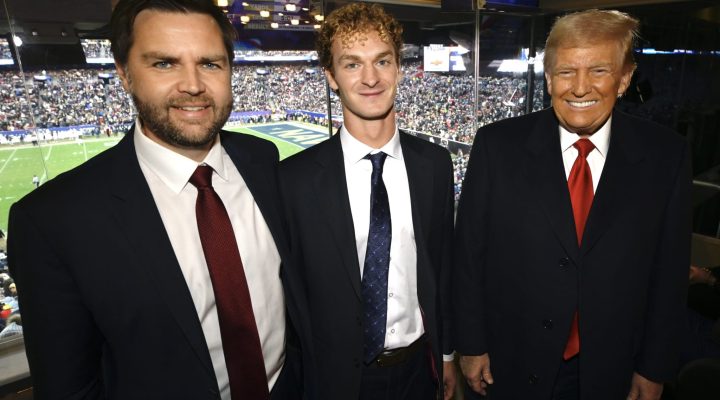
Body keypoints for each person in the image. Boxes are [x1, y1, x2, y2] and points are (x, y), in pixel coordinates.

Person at [8, 0, 310, 398]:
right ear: (124, 73)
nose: (192, 84)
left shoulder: (261, 159)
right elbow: (69, 387)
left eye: (211, 63)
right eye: (164, 63)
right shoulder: (53, 220)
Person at [453, 9, 691, 400]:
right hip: (511, 361)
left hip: (613, 366)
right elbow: (468, 258)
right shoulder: (497, 146)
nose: (580, 88)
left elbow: (669, 277)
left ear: (625, 78)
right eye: (566, 72)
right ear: (548, 78)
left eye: (599, 70)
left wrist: (654, 368)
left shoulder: (667, 156)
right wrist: (472, 345)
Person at [279, 3, 456, 399]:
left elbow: (442, 268)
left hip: (418, 371)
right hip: (334, 377)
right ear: (331, 76)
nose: (371, 78)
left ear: (398, 68)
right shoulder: (294, 179)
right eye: (352, 64)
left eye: (382, 61)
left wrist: (445, 355)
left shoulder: (434, 165)